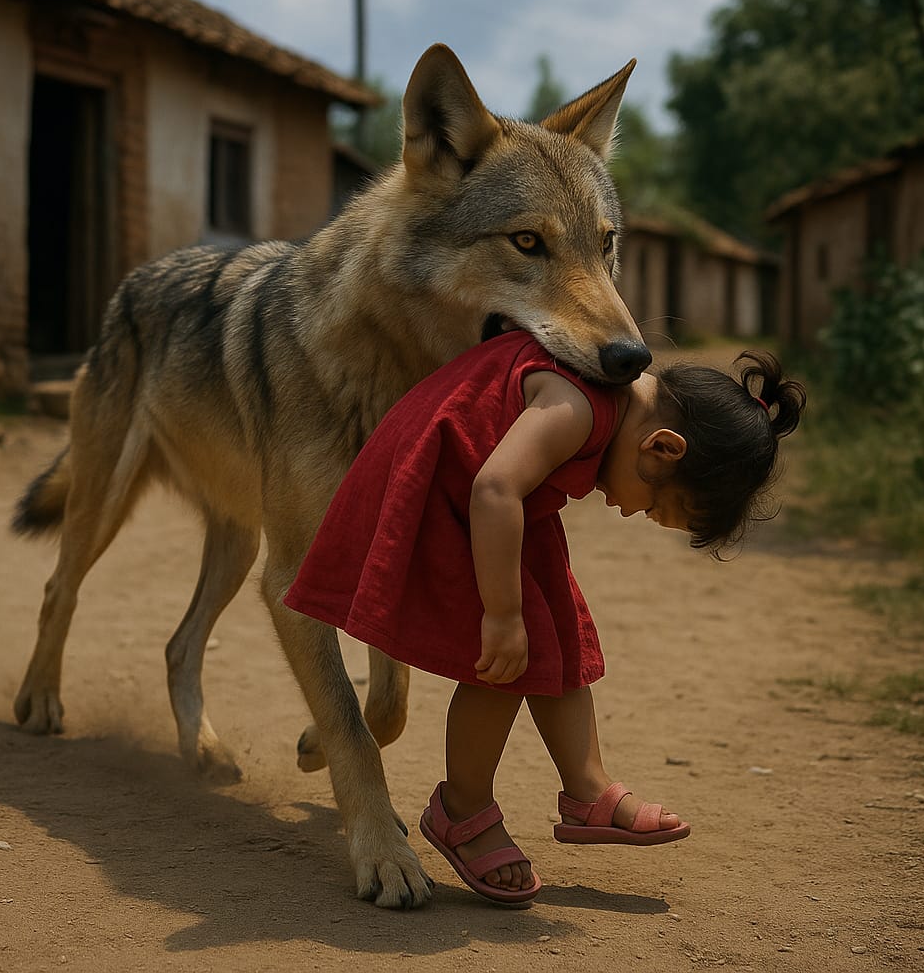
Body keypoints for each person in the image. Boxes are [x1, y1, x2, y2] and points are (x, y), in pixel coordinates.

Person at [284, 330, 806, 904]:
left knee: (559, 620)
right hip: (438, 490)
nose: (628, 511)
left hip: (480, 496)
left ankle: (587, 787)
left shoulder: (604, 396)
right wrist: (503, 616)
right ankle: (463, 808)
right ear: (662, 448)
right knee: (512, 654)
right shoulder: (578, 408)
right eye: (653, 505)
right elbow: (494, 487)